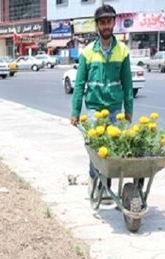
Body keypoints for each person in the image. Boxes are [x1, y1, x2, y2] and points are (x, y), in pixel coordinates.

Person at [70, 4, 133, 194]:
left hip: (115, 108)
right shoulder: (88, 52)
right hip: (94, 108)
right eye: (102, 22)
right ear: (97, 25)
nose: (106, 26)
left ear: (114, 23)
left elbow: (127, 84)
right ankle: (94, 179)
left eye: (109, 22)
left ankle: (108, 186)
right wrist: (75, 112)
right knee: (95, 148)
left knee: (114, 148)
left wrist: (129, 109)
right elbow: (79, 84)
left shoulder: (122, 51)